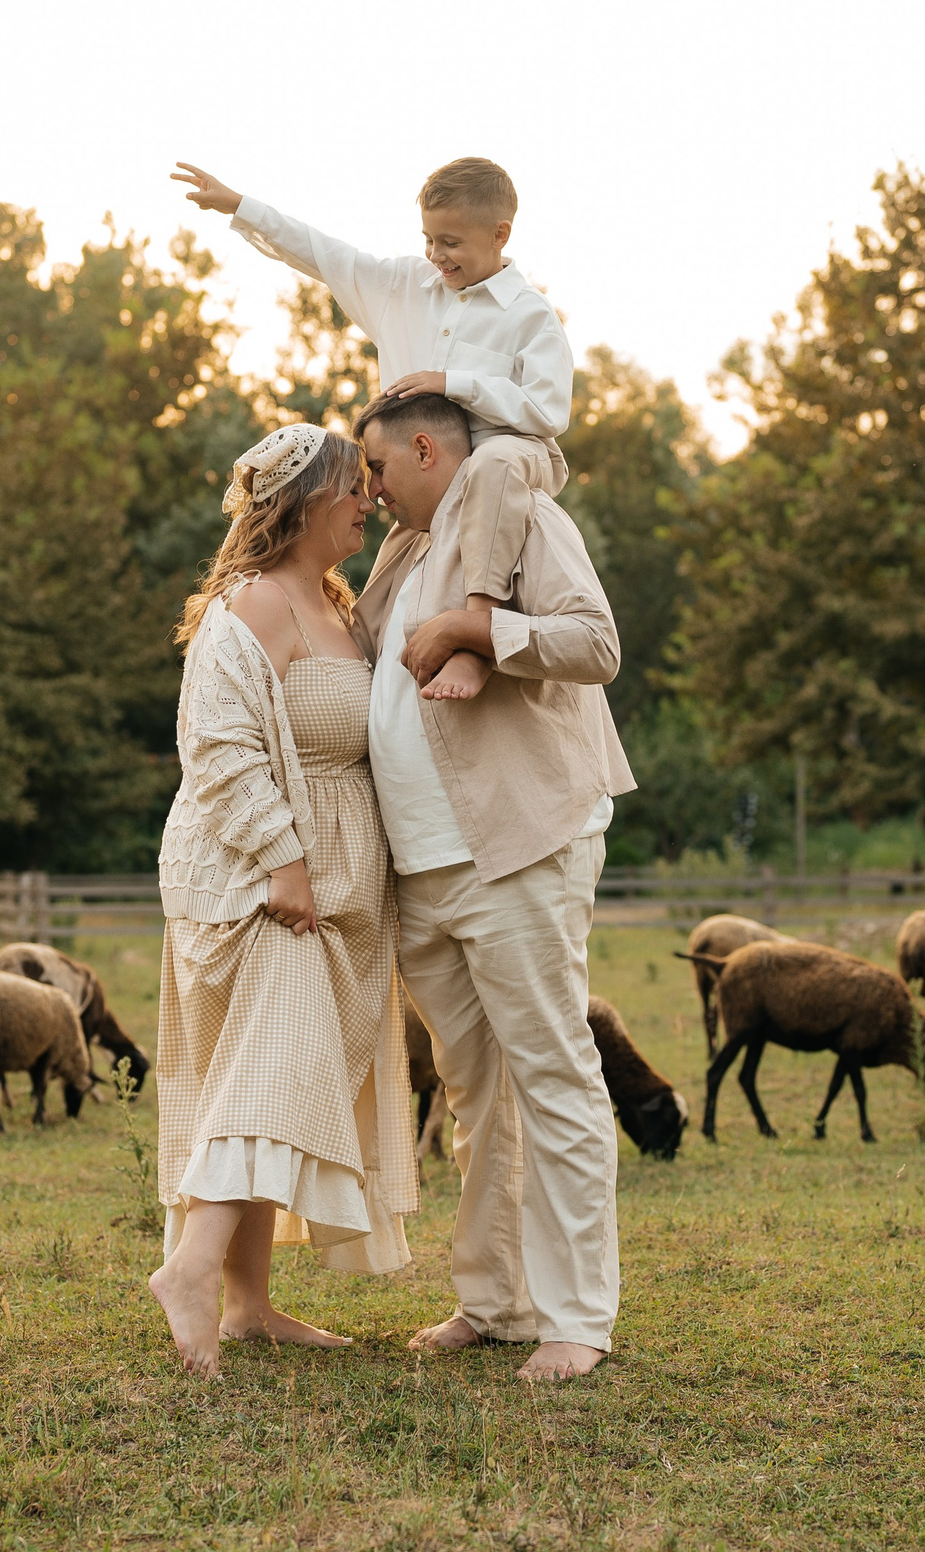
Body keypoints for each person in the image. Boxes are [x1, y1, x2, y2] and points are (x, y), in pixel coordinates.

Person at [351, 391, 637, 1383]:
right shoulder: (407, 551)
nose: (371, 493)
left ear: (426, 448)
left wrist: (486, 634)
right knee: (476, 1091)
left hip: (513, 848)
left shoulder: (523, 521)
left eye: (379, 472)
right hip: (422, 869)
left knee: (551, 1074)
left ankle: (577, 1317)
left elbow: (594, 642)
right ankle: (496, 1299)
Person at [150, 423, 419, 1380]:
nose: (369, 498)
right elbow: (219, 749)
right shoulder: (253, 605)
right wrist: (283, 861)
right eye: (354, 485)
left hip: (335, 885)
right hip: (256, 880)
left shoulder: (339, 605)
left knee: (273, 1078)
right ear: (301, 500)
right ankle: (189, 1271)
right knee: (269, 1075)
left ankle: (251, 1303)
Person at [171, 155, 567, 705]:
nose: (436, 255)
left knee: (494, 463)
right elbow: (325, 253)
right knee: (375, 601)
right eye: (429, 239)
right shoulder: (406, 285)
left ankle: (477, 634)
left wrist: (455, 382)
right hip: (428, 489)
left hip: (509, 457)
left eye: (450, 242)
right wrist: (241, 206)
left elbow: (549, 411)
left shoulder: (529, 315)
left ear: (500, 234)